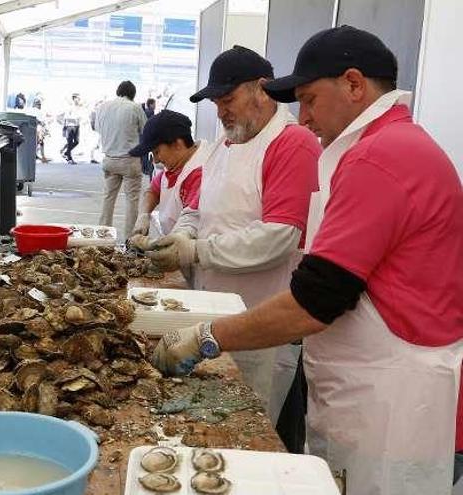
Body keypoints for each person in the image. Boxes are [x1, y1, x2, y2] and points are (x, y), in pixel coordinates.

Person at [151, 26, 463, 495]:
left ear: (355, 85)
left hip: (392, 397)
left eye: (311, 99)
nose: (305, 116)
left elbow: (315, 300)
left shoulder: (380, 158)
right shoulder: (386, 146)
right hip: (371, 379)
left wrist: (207, 336)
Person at [145, 45, 321, 426]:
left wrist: (195, 251)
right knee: (202, 421)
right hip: (211, 311)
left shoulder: (292, 143)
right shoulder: (226, 143)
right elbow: (200, 206)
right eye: (216, 103)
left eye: (228, 100)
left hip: (259, 322)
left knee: (244, 425)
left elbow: (279, 237)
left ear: (262, 88)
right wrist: (183, 233)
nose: (221, 111)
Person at [127, 110, 211, 242]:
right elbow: (153, 191)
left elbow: (189, 226)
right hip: (174, 241)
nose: (155, 160)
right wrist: (144, 214)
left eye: (157, 152)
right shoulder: (175, 165)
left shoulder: (201, 174)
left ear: (177, 144)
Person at [94, 81, 148, 236]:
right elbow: (145, 130)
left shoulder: (102, 107)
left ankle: (103, 236)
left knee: (108, 199)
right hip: (129, 160)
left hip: (109, 160)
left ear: (118, 91)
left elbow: (98, 129)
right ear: (133, 94)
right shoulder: (134, 107)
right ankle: (130, 240)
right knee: (132, 200)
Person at [58, 93, 84, 163]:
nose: (79, 100)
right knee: (69, 142)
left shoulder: (78, 107)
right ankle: (69, 158)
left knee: (76, 142)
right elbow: (65, 117)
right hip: (70, 126)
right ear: (74, 98)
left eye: (79, 99)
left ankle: (66, 152)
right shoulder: (70, 107)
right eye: (78, 98)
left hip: (77, 125)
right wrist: (64, 126)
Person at [32, 97, 50, 163]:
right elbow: (36, 119)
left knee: (39, 142)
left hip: (37, 128)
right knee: (39, 142)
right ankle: (42, 157)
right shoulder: (35, 111)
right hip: (37, 129)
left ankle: (40, 156)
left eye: (40, 104)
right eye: (38, 104)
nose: (40, 106)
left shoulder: (36, 111)